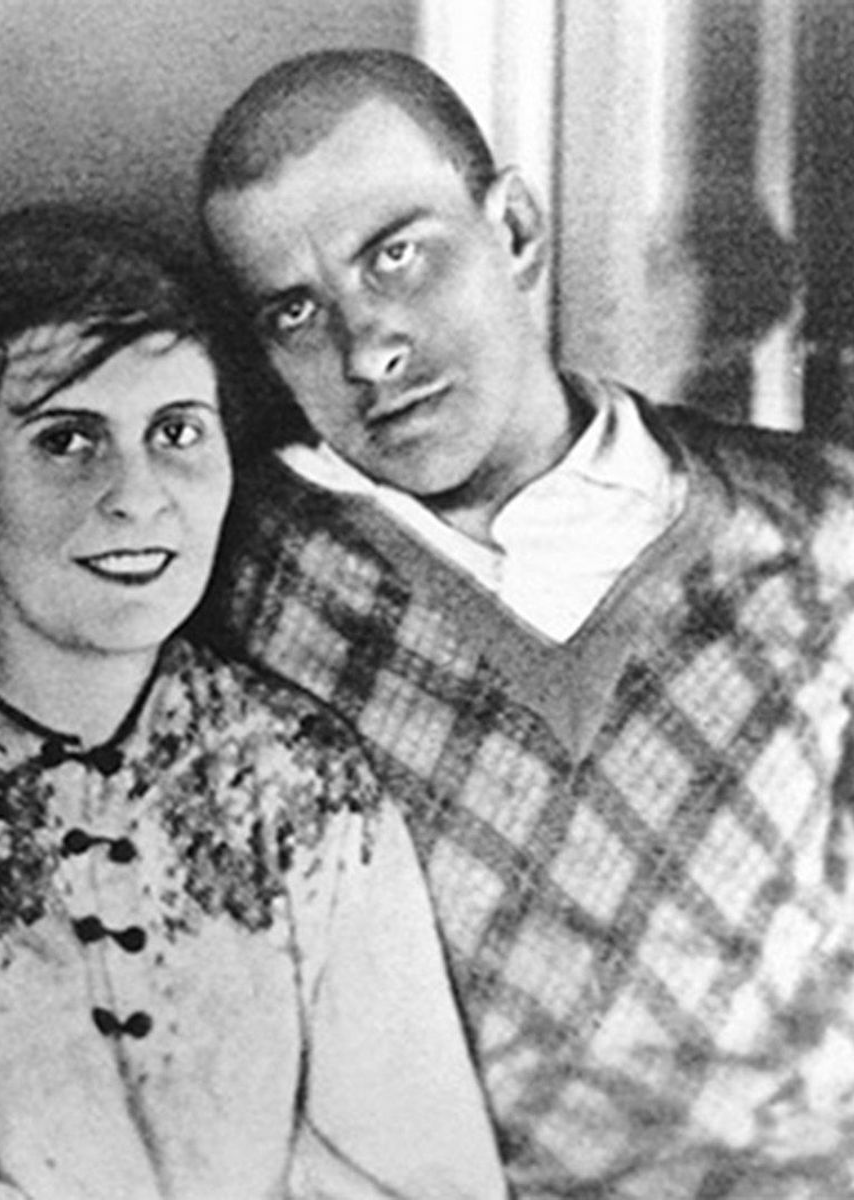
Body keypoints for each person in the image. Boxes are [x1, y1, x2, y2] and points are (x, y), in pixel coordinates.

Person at [0, 205, 506, 1199]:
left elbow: (420, 1172)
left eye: (177, 433)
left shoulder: (302, 777)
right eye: (67, 440)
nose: (136, 495)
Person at [197, 48, 854, 1198]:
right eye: (296, 311)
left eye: (396, 255)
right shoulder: (226, 576)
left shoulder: (817, 523)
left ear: (513, 231)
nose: (366, 349)